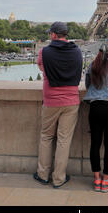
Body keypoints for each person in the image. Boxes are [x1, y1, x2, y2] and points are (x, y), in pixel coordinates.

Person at [33, 21, 82, 188]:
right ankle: (59, 178)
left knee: (46, 137)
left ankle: (43, 174)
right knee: (64, 140)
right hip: (71, 100)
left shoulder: (44, 52)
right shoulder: (77, 51)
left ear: (54, 34)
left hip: (51, 100)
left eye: (50, 33)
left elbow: (41, 68)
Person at [83, 43, 108, 192]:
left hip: (95, 107)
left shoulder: (93, 65)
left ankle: (97, 179)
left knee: (95, 144)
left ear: (99, 54)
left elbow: (88, 85)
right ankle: (106, 180)